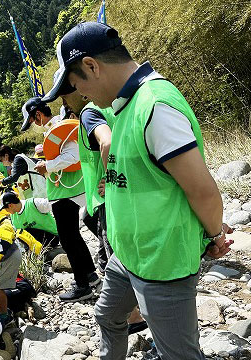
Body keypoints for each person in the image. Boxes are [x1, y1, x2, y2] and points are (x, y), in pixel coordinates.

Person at [54, 21, 233, 359]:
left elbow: (203, 191)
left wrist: (212, 235)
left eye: (78, 85)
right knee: (107, 316)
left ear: (92, 65)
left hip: (162, 263)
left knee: (179, 354)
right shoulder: (124, 105)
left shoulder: (155, 106)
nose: (82, 96)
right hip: (129, 255)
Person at [44, 70, 146, 333]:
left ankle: (133, 316)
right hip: (127, 193)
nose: (63, 104)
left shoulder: (90, 112)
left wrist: (111, 179)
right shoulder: (119, 105)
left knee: (117, 255)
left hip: (108, 198)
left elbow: (108, 143)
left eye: (65, 95)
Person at [20, 96, 101, 302]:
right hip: (63, 192)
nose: (33, 126)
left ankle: (82, 285)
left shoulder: (58, 127)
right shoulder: (53, 129)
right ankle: (90, 275)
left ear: (37, 115)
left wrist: (46, 166)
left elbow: (73, 155)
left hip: (68, 192)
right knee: (73, 236)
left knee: (68, 238)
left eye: (31, 121)